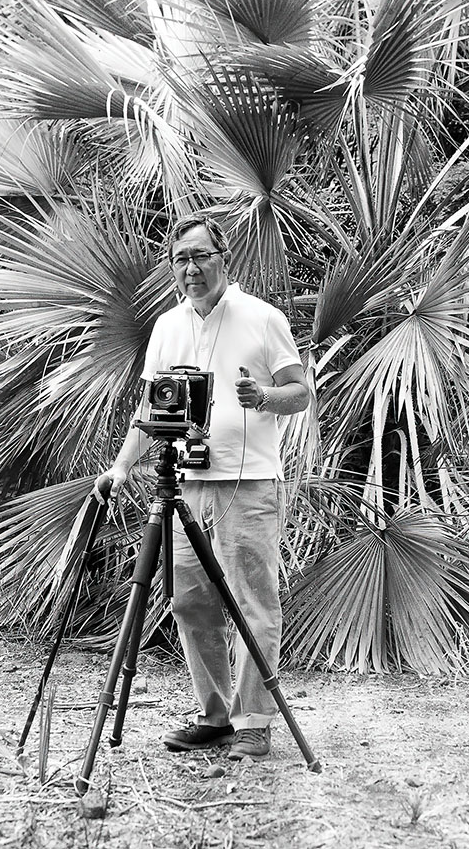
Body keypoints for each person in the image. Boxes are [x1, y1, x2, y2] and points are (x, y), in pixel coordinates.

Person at [94, 213, 309, 760]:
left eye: (200, 256)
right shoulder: (167, 326)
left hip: (250, 483)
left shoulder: (263, 318)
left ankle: (255, 720)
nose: (191, 269)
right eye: (181, 259)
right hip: (187, 484)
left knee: (251, 600)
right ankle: (215, 715)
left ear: (224, 258)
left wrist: (262, 397)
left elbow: (300, 392)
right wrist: (122, 467)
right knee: (189, 600)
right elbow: (152, 408)